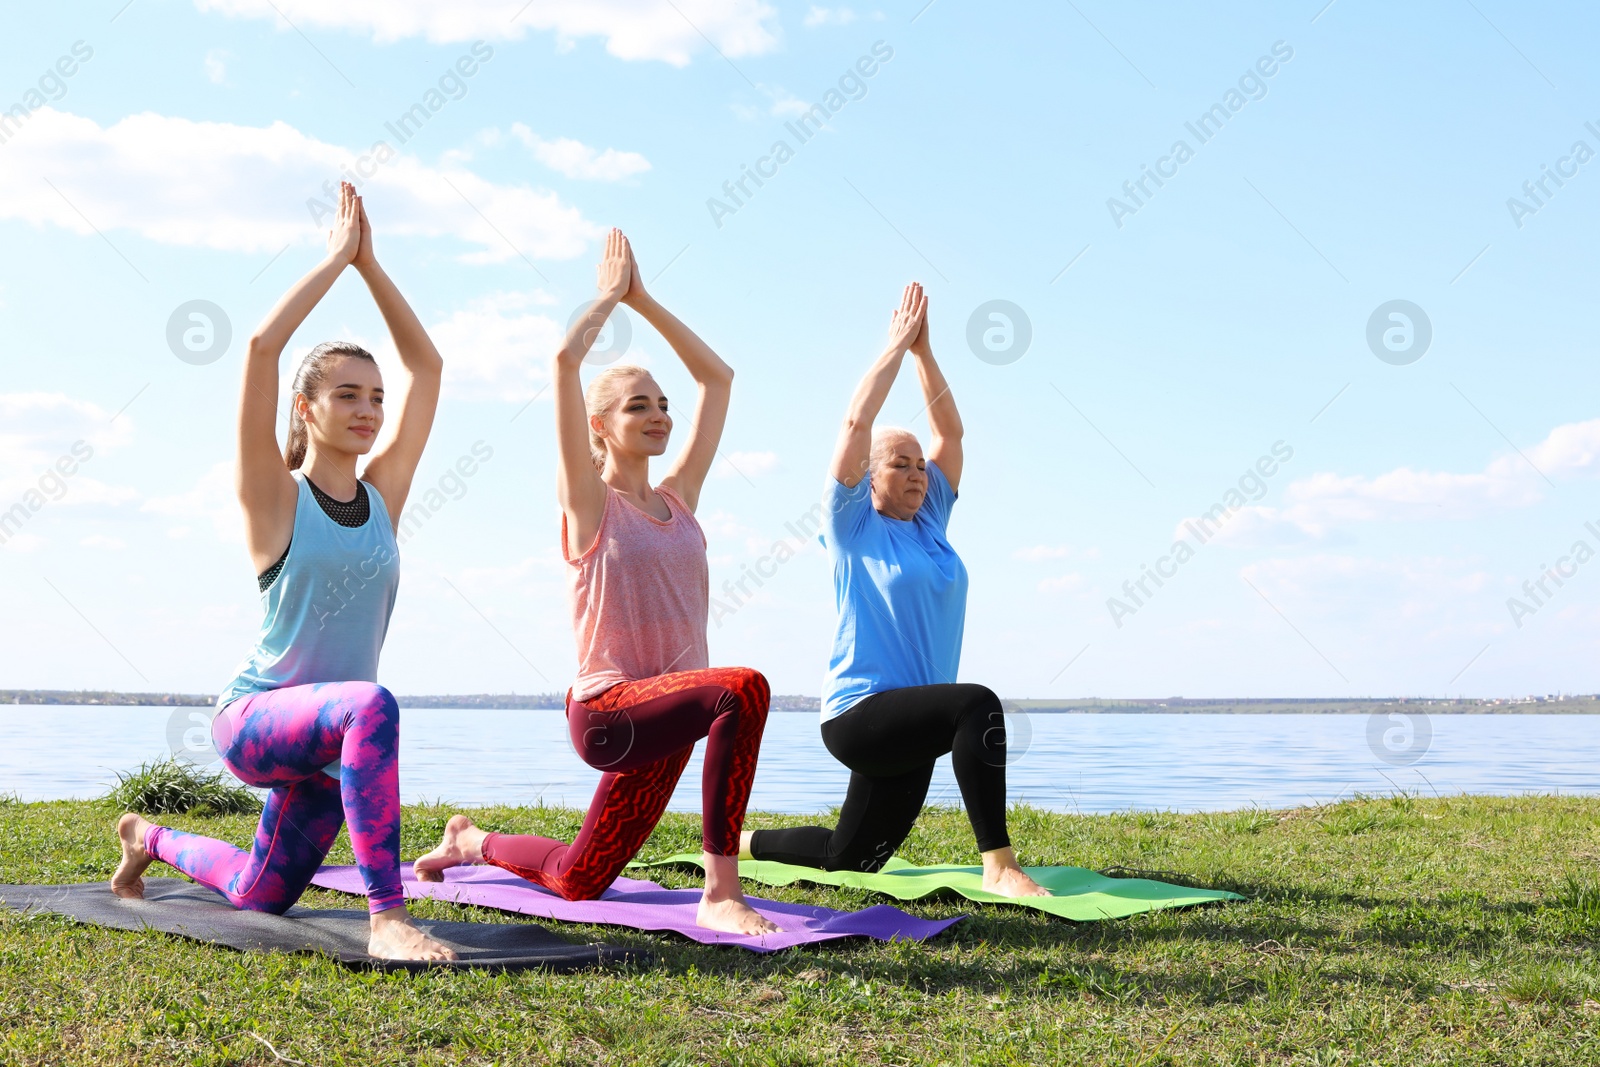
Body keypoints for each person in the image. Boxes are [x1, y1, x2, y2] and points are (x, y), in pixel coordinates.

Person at [111, 183, 458, 960]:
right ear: (306, 408)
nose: (369, 410)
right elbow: (262, 350)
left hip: (327, 746)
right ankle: (387, 918)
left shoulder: (382, 497)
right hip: (257, 721)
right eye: (346, 395)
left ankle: (148, 836)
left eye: (375, 397)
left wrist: (372, 266)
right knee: (373, 704)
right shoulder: (274, 497)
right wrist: (333, 260)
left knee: (259, 893)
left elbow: (428, 366)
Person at [415, 230, 778, 934]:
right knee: (744, 687)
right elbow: (562, 360)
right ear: (600, 427)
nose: (660, 415)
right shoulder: (591, 504)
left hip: (668, 716)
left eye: (662, 404)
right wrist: (610, 298)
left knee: (579, 878)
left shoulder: (678, 500)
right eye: (639, 405)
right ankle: (720, 891)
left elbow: (719, 380)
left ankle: (470, 842)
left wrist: (647, 299)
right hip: (611, 713)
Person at [742, 282, 1048, 897]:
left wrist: (925, 354)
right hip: (860, 713)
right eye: (899, 464)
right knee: (975, 704)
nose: (916, 473)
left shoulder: (930, 522)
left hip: (908, 724)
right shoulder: (852, 526)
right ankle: (999, 863)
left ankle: (745, 840)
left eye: (918, 466)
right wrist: (893, 346)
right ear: (868, 478)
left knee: (849, 860)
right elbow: (858, 420)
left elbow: (952, 438)